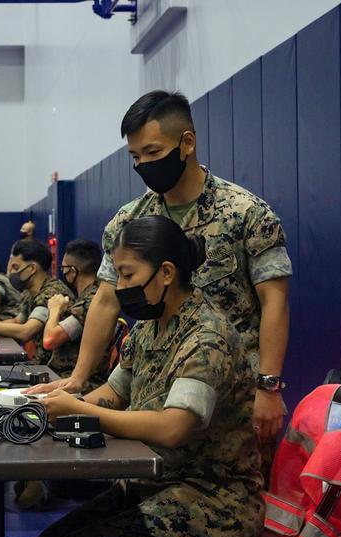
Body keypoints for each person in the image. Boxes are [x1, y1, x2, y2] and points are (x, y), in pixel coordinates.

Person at [28, 90, 293, 448]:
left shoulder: (247, 214)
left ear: (187, 142)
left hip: (232, 397)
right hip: (155, 396)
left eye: (153, 153)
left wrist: (269, 385)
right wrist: (77, 379)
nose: (144, 165)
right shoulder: (129, 222)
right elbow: (105, 302)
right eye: (135, 157)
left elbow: (274, 302)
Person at [34, 215, 263, 537]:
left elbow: (173, 428)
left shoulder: (206, 338)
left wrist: (79, 411)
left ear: (166, 273)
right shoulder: (149, 329)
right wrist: (52, 407)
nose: (120, 286)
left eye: (128, 275)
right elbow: (114, 391)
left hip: (211, 502)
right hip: (156, 483)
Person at [0, 240, 75, 375]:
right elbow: (17, 321)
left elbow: (26, 331)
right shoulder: (30, 293)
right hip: (39, 367)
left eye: (15, 267)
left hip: (55, 372)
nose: (10, 274)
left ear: (32, 269)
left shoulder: (51, 293)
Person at [42, 239, 111, 394]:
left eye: (63, 268)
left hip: (79, 382)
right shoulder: (87, 296)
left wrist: (54, 309)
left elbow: (50, 340)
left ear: (72, 271)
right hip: (63, 377)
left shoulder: (91, 301)